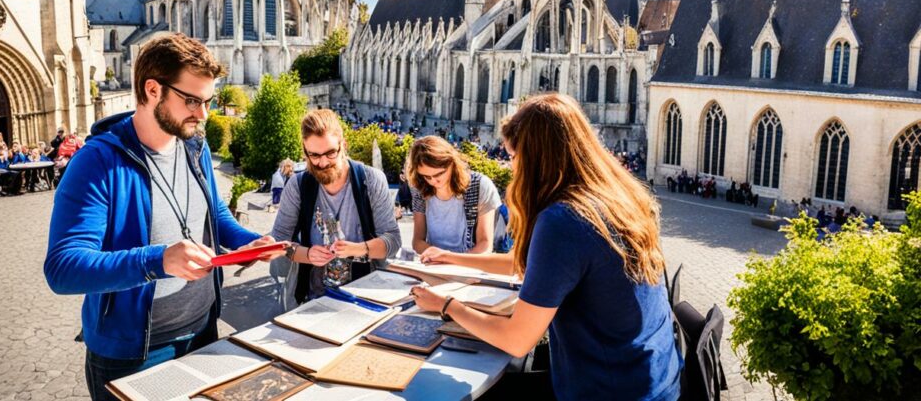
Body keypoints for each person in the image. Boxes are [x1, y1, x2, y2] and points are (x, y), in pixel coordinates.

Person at [44, 33, 283, 401]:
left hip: (203, 330)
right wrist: (158, 260)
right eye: (192, 100)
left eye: (208, 101)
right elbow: (63, 269)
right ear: (152, 89)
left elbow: (212, 213)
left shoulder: (194, 146)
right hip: (133, 353)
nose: (203, 114)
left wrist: (245, 242)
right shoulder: (96, 162)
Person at [411, 94, 681, 400]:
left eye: (513, 157)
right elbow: (527, 263)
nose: (511, 167)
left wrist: (445, 305)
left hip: (608, 389)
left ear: (536, 159)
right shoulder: (619, 197)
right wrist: (451, 258)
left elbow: (516, 340)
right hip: (654, 378)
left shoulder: (564, 220)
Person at [270, 109, 401, 303]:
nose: (322, 162)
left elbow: (393, 241)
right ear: (305, 151)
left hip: (365, 296)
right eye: (313, 155)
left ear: (343, 145)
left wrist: (358, 249)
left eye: (330, 153)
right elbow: (279, 243)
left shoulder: (371, 180)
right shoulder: (298, 185)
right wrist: (308, 255)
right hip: (311, 299)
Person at [406, 136, 499, 256]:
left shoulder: (480, 185)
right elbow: (418, 241)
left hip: (470, 266)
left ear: (452, 163)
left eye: (439, 173)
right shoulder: (420, 188)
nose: (433, 181)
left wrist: (450, 259)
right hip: (433, 265)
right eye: (427, 176)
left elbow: (485, 245)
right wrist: (436, 257)